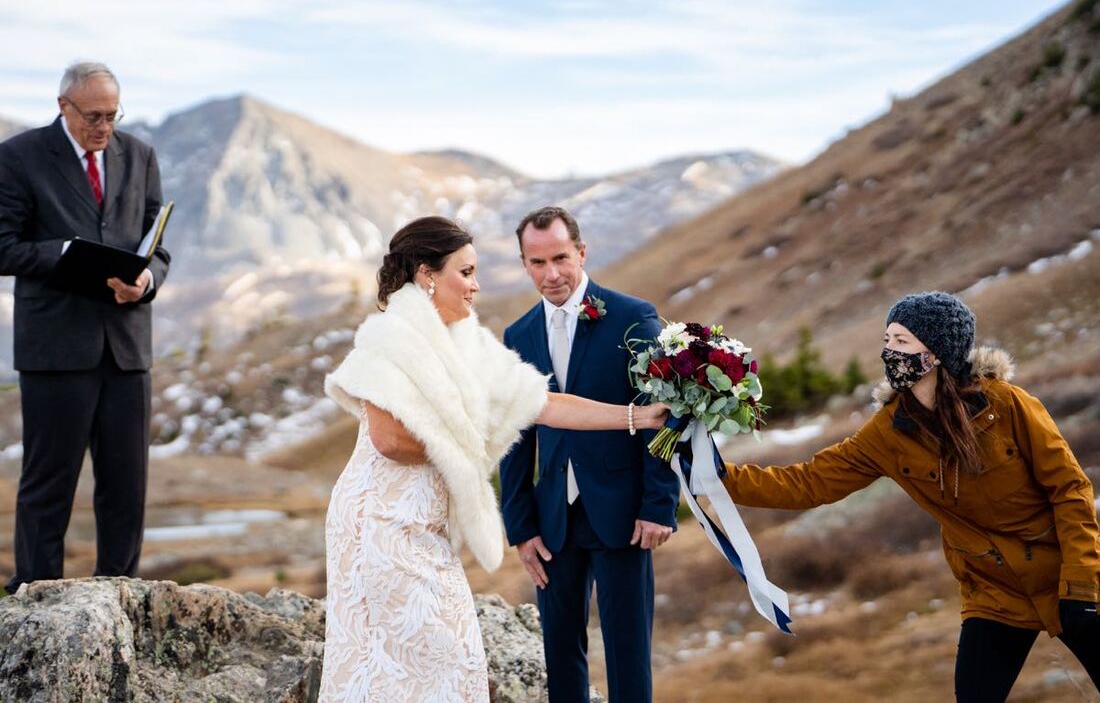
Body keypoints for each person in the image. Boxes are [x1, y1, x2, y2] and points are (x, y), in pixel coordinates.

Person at [320, 215, 668, 702]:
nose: (476, 285)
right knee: (409, 664)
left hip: (429, 525)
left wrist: (636, 417)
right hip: (380, 522)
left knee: (453, 660)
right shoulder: (391, 336)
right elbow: (389, 440)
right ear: (426, 275)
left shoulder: (467, 339)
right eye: (465, 272)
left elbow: (541, 403)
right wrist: (473, 446)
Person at [717, 291, 1099, 701]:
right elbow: (808, 482)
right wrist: (717, 475)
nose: (889, 352)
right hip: (993, 594)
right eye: (887, 340)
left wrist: (1080, 582)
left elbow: (1070, 489)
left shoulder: (1006, 404)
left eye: (901, 341)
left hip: (1066, 576)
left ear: (937, 352)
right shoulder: (888, 432)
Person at [0, 62, 170, 595]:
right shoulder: (19, 156)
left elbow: (157, 245)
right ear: (63, 106)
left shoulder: (139, 155)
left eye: (112, 116)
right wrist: (67, 255)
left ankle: (120, 596)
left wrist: (146, 281)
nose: (104, 127)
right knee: (48, 485)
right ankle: (34, 597)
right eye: (93, 116)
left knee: (126, 486)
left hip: (127, 347)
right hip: (56, 347)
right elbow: (3, 247)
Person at [498, 206, 681, 703]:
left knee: (627, 654)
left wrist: (658, 504)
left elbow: (664, 414)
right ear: (524, 264)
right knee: (560, 655)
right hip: (551, 521)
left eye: (560, 258)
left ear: (581, 252)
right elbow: (514, 438)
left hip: (623, 514)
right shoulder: (518, 336)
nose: (551, 274)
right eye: (537, 263)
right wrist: (521, 527)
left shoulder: (632, 317)